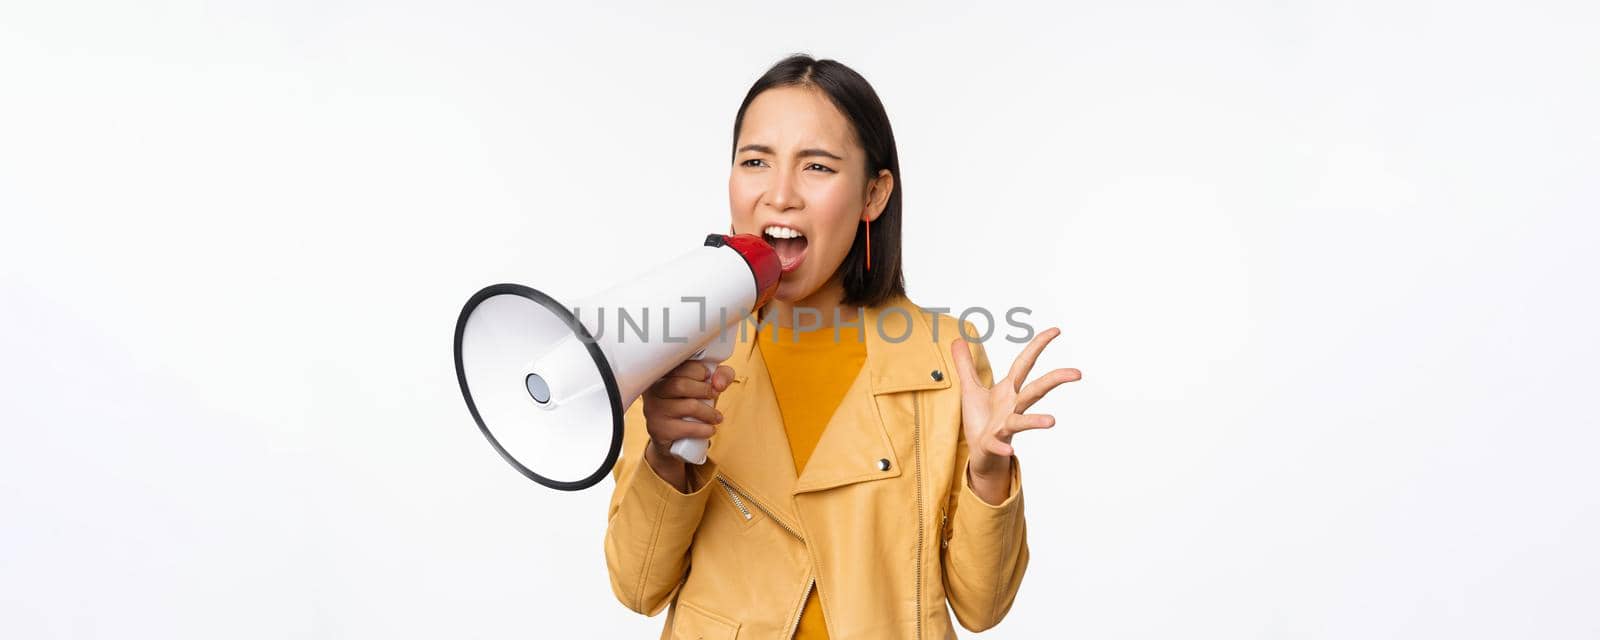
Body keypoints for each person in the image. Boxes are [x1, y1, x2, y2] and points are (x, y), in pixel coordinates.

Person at [603, 54, 1081, 639]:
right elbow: (637, 587)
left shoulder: (945, 355)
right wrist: (667, 455)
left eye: (817, 168)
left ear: (873, 195)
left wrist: (988, 474)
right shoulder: (674, 342)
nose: (780, 195)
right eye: (755, 161)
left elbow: (982, 607)